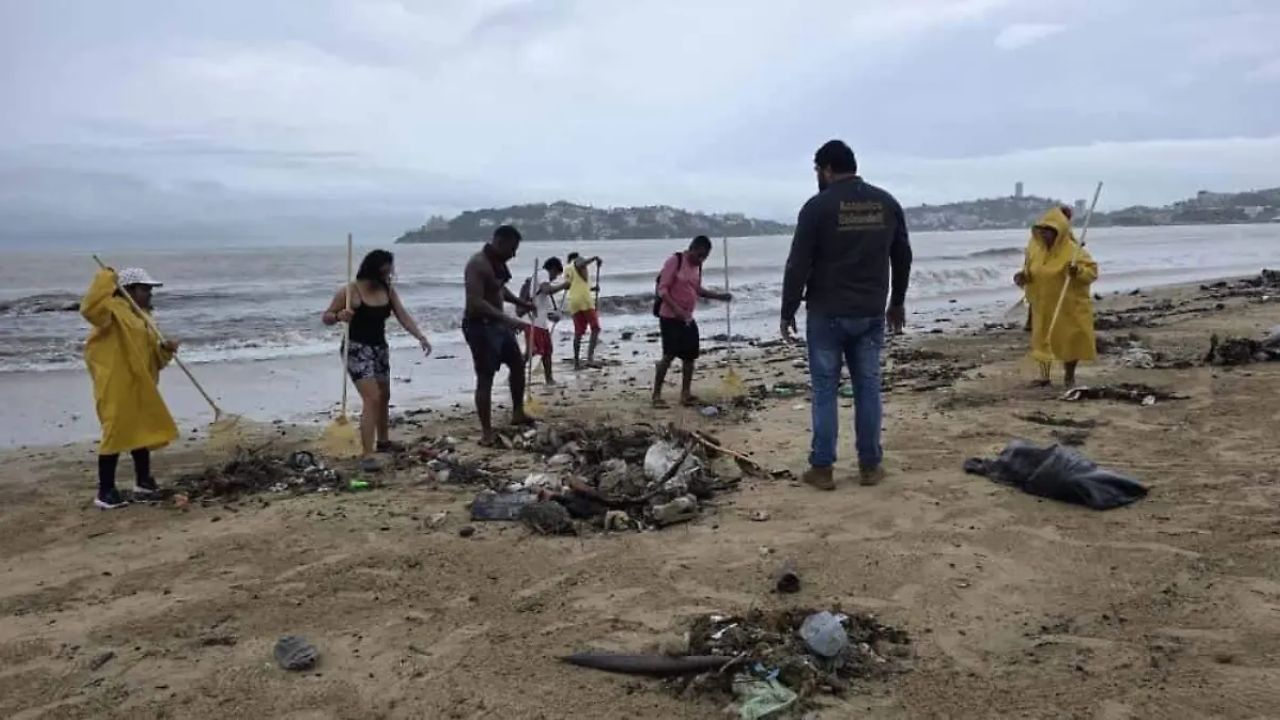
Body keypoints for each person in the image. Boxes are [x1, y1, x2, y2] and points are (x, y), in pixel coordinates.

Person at [781, 139, 912, 491]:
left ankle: (822, 469)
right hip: (870, 313)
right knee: (867, 389)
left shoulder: (817, 207)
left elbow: (798, 264)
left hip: (827, 314)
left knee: (825, 391)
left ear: (826, 169)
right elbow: (902, 256)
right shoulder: (886, 203)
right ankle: (870, 465)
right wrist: (897, 301)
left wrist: (788, 309)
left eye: (817, 171)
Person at [322, 249, 433, 471]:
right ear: (374, 269)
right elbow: (326, 317)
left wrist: (420, 336)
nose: (390, 274)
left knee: (384, 396)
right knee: (371, 398)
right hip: (355, 349)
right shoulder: (350, 291)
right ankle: (367, 454)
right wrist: (338, 316)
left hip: (379, 348)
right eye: (386, 270)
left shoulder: (387, 290)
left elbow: (403, 315)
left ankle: (383, 442)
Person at [80, 267, 180, 510]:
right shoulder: (111, 312)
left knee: (142, 429)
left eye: (150, 289)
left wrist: (165, 349)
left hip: (140, 383)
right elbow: (89, 310)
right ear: (128, 290)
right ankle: (105, 492)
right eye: (145, 289)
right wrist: (105, 279)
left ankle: (143, 482)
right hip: (116, 382)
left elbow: (151, 359)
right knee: (115, 431)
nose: (150, 294)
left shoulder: (143, 317)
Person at [463, 225, 536, 445]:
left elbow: (498, 290)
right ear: (500, 243)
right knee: (485, 377)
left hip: (499, 326)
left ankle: (518, 412)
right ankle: (486, 432)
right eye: (512, 249)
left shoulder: (497, 265)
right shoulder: (477, 264)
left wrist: (520, 303)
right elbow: (475, 302)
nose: (514, 254)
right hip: (480, 327)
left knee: (517, 364)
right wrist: (507, 319)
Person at [1014, 206, 1098, 387]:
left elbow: (1092, 272)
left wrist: (1078, 271)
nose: (1044, 235)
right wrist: (1022, 277)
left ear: (1059, 231)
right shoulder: (1036, 250)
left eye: (1049, 232)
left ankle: (1069, 375)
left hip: (1067, 304)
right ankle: (1044, 377)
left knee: (1070, 339)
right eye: (1042, 231)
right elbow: (1030, 272)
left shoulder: (1074, 251)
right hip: (1042, 304)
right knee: (1042, 340)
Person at [651, 235, 732, 407]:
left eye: (705, 257)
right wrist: (676, 309)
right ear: (692, 249)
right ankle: (656, 396)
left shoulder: (697, 266)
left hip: (687, 318)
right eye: (699, 255)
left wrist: (720, 296)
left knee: (690, 356)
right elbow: (662, 290)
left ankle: (685, 394)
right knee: (669, 355)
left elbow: (697, 289)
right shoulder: (675, 261)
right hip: (670, 317)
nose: (701, 260)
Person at [522, 257, 569, 385]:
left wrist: (553, 317)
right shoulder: (543, 273)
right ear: (552, 269)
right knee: (532, 351)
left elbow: (541, 305)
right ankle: (515, 373)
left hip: (541, 323)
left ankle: (549, 379)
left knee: (547, 351)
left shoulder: (541, 277)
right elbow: (546, 289)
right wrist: (564, 285)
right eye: (555, 275)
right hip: (533, 321)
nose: (554, 279)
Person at [564, 251, 603, 369]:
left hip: (574, 302)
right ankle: (590, 359)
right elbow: (580, 263)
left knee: (578, 332)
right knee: (595, 328)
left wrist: (592, 288)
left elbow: (575, 285)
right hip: (585, 301)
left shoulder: (567, 270)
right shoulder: (576, 263)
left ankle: (576, 362)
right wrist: (595, 257)